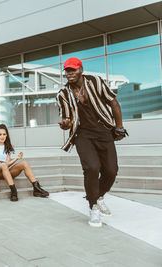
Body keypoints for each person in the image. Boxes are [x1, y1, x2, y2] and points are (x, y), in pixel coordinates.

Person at [56, 57, 128, 227]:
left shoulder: (95, 82)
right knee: (92, 168)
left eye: (73, 70)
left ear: (81, 69)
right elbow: (66, 121)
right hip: (82, 135)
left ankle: (98, 195)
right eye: (67, 71)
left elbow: (114, 103)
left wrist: (119, 127)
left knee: (111, 170)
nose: (70, 73)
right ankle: (93, 207)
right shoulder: (63, 94)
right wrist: (65, 124)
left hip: (104, 130)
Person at [0, 124, 49, 201]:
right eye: (0, 134)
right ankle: (13, 191)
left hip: (6, 169)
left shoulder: (8, 147)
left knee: (24, 163)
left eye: (4, 134)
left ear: (6, 135)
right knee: (3, 165)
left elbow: (7, 164)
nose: (2, 136)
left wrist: (17, 158)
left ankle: (36, 188)